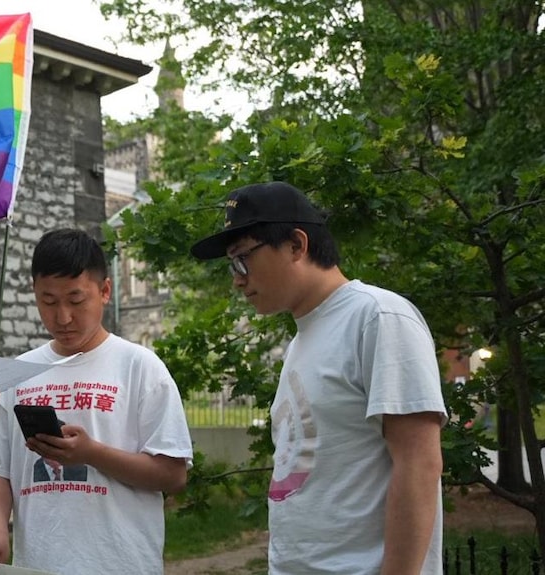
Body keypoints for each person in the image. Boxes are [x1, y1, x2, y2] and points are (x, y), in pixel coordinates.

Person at [190, 181, 446, 574]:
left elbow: (419, 464)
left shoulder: (378, 317)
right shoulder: (301, 341)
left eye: (243, 260)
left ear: (296, 244)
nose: (237, 279)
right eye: (231, 266)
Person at [0, 228, 193, 575]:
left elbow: (173, 475)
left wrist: (92, 454)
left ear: (105, 291)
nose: (62, 317)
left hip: (119, 564)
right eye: (48, 301)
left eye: (76, 301)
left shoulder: (139, 367)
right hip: (38, 565)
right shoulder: (17, 373)